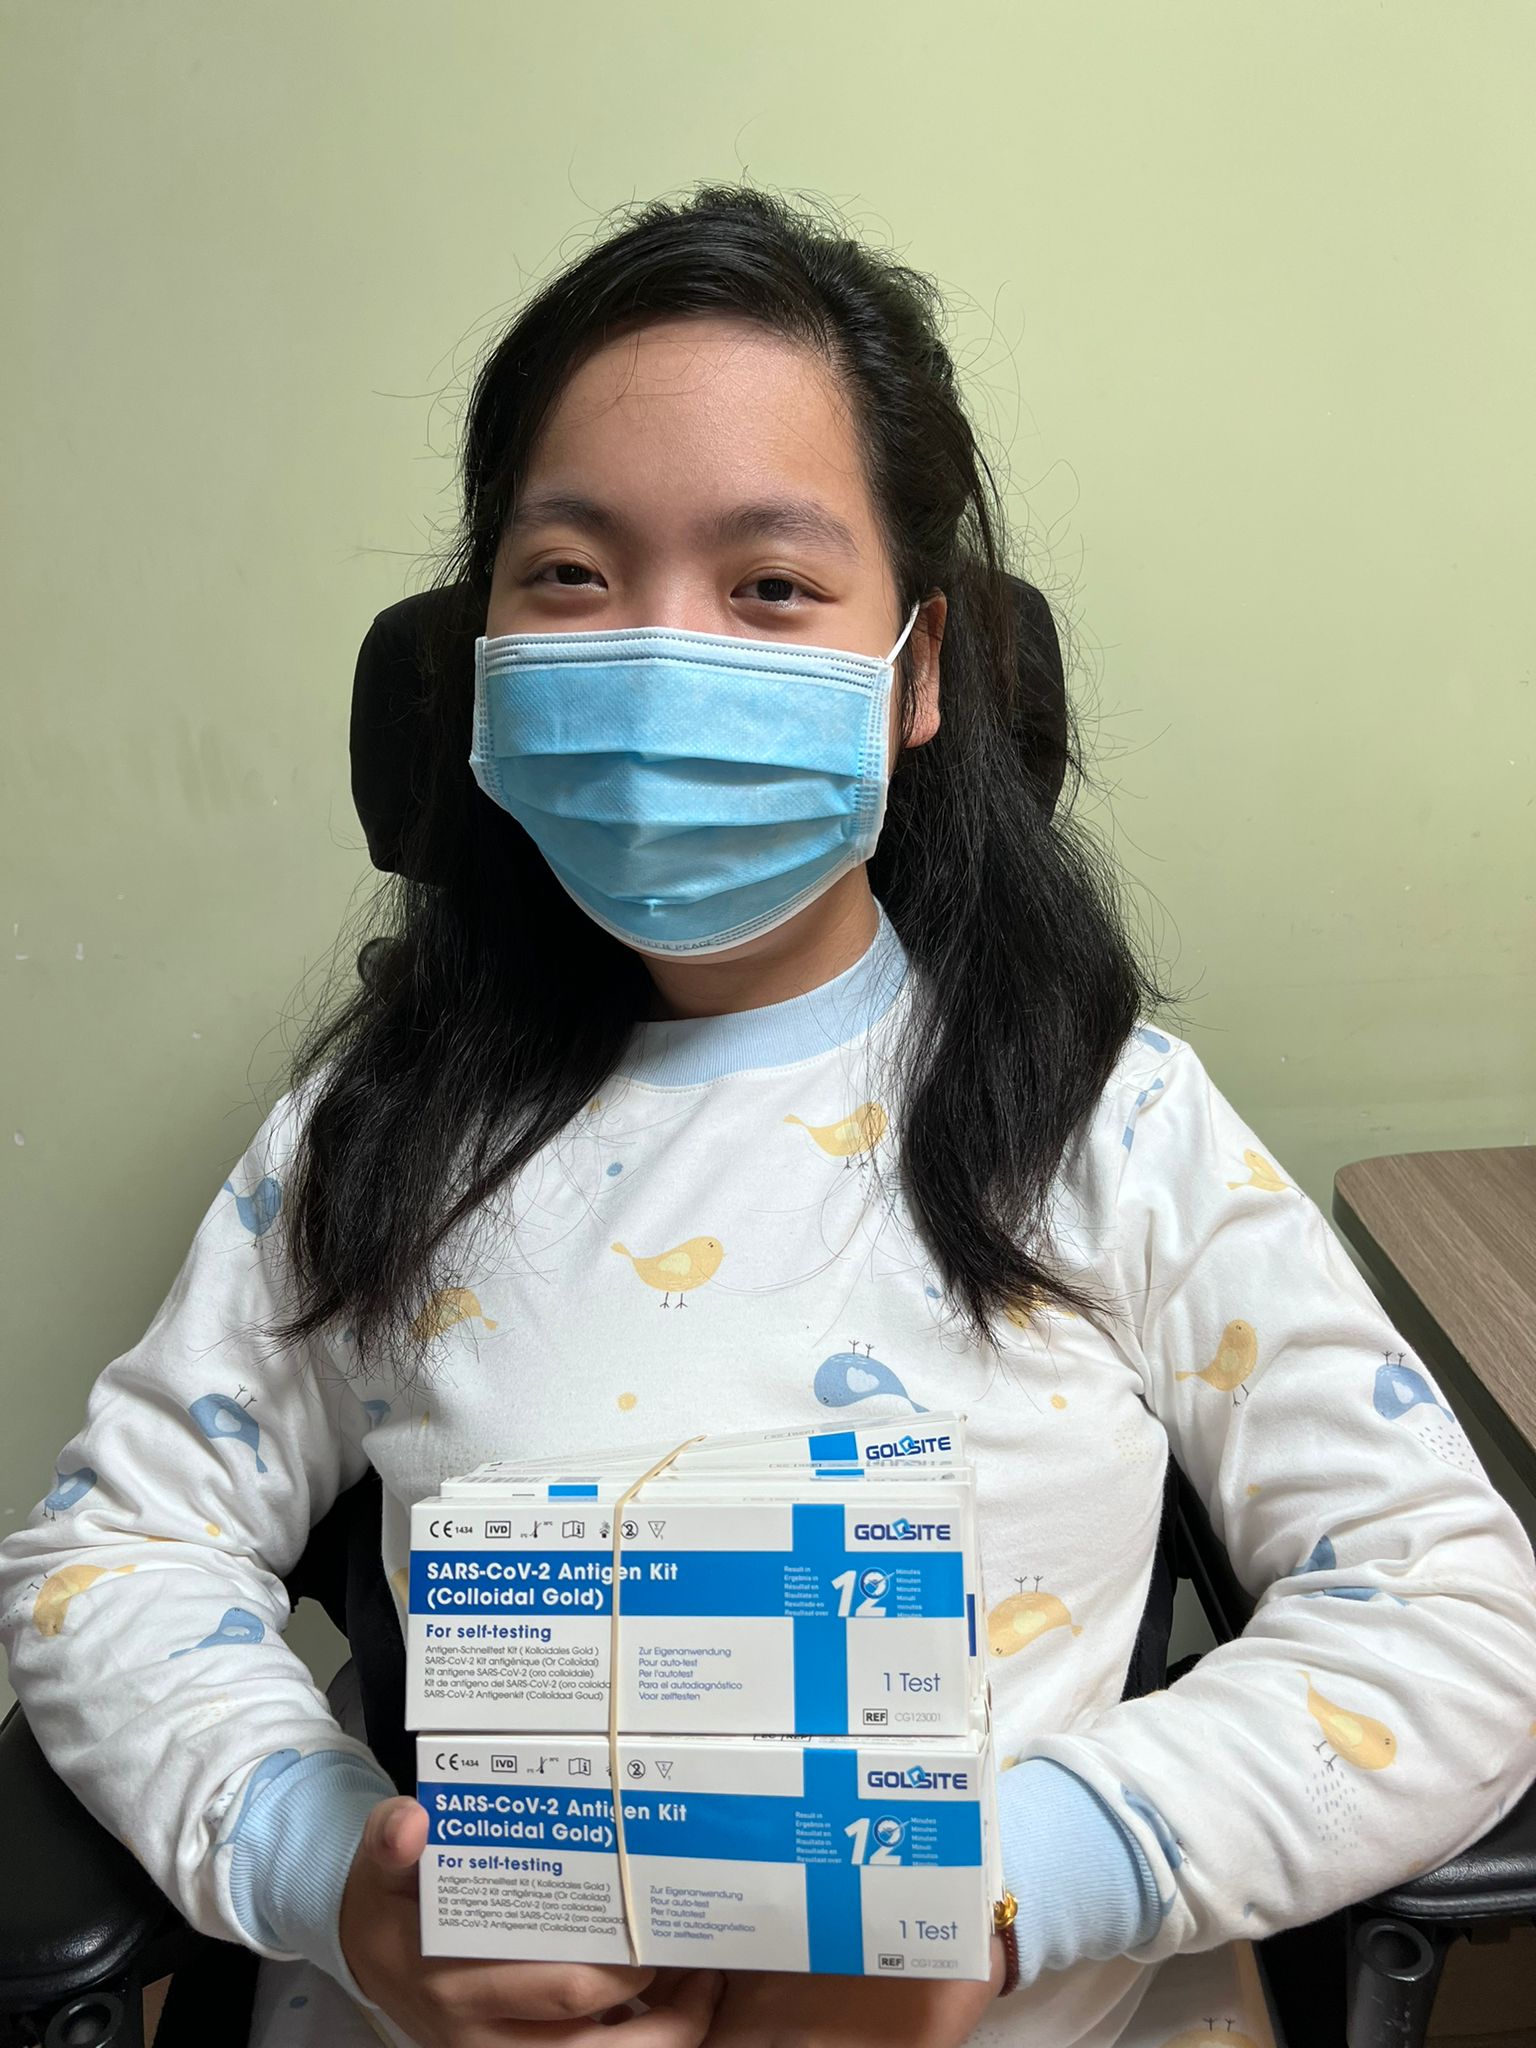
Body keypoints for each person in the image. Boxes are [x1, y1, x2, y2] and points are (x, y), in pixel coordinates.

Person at [3, 183, 1534, 2048]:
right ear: (479, 660)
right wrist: (330, 1878)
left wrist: (1004, 1895)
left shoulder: (1101, 1120)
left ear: (921, 675)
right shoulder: (377, 1131)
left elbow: (1455, 1611)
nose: (663, 657)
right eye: (572, 574)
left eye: (774, 588)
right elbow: (109, 1559)